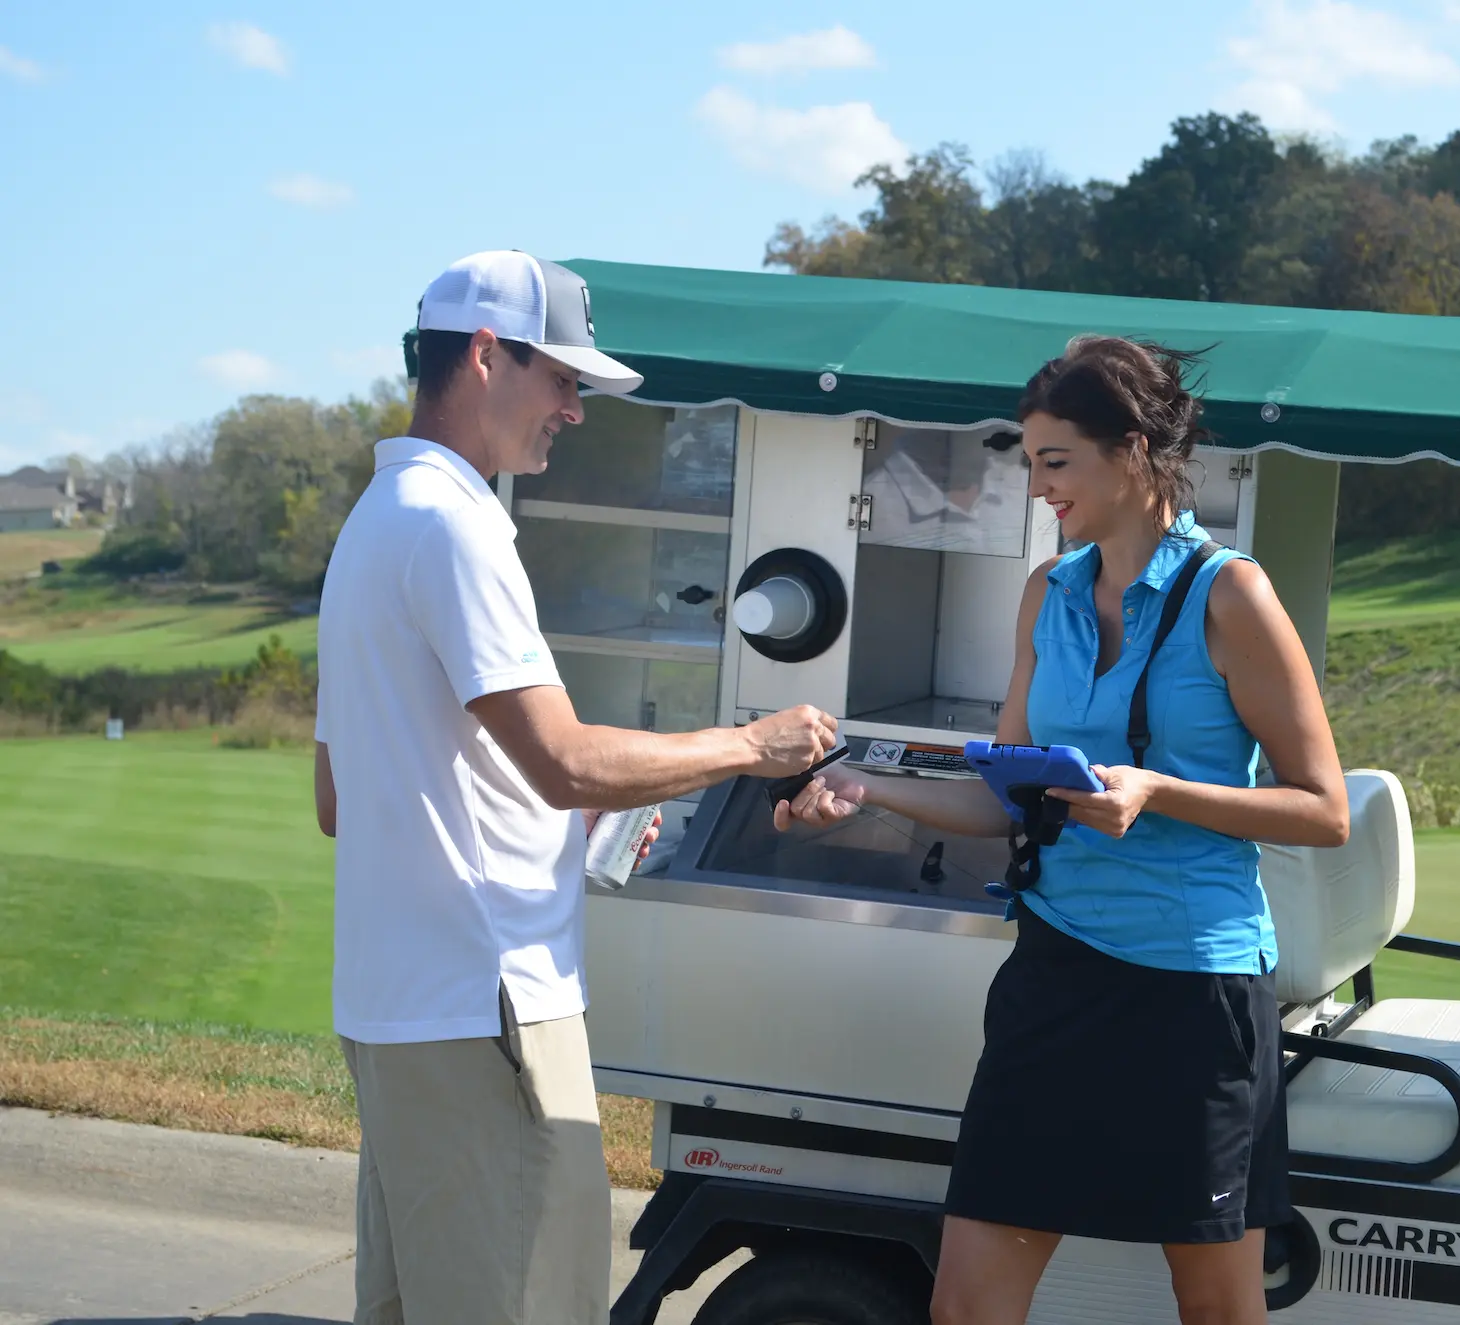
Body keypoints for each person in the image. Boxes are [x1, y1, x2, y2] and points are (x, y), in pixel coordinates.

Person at [778, 335, 1349, 1325]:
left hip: (1192, 991)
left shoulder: (1229, 595)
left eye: (1054, 461)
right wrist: (862, 791)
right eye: (1030, 462)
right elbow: (1007, 796)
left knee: (1215, 1308)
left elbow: (1322, 809)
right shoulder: (1046, 594)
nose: (1038, 487)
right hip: (1054, 977)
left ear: (1129, 449)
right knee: (964, 1305)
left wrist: (1154, 790)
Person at [314, 250, 838, 1325]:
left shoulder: (374, 518)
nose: (575, 407)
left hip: (396, 1007)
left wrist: (581, 811)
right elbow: (563, 762)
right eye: (560, 376)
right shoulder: (456, 525)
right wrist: (753, 744)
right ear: (484, 354)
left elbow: (340, 795)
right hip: (487, 998)